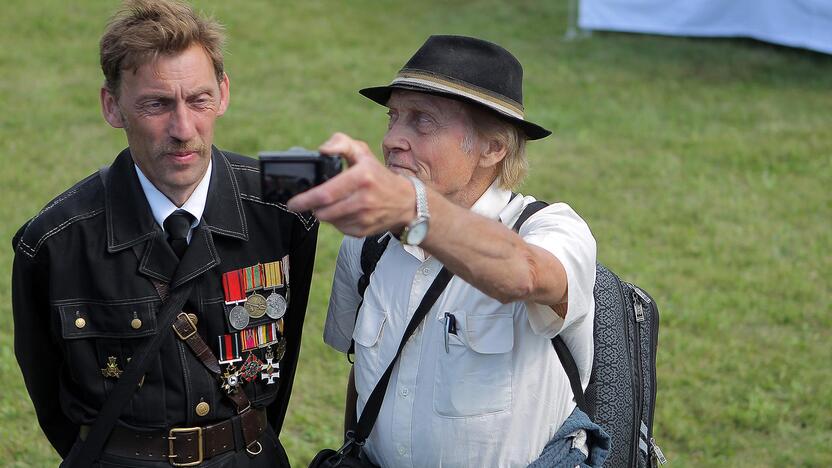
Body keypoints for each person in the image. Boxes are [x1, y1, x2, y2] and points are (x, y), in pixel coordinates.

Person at [11, 0, 317, 466]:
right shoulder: (54, 241)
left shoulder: (285, 206)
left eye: (199, 99)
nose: (183, 128)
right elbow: (52, 400)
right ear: (112, 107)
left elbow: (284, 360)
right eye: (156, 104)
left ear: (224, 93)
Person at [288, 35, 608, 467]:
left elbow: (526, 274)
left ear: (493, 148)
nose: (393, 140)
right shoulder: (367, 244)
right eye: (393, 118)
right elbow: (363, 377)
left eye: (422, 122)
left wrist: (412, 211)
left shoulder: (550, 228)